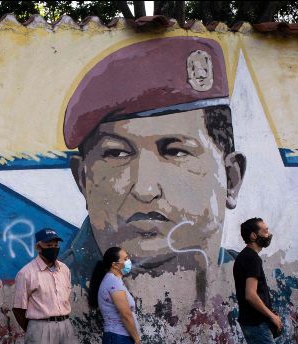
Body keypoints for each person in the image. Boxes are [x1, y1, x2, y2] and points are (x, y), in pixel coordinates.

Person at [62, 37, 246, 285]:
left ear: (231, 179)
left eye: (176, 152)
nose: (145, 189)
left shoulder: (272, 289)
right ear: (83, 180)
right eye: (117, 154)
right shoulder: (56, 289)